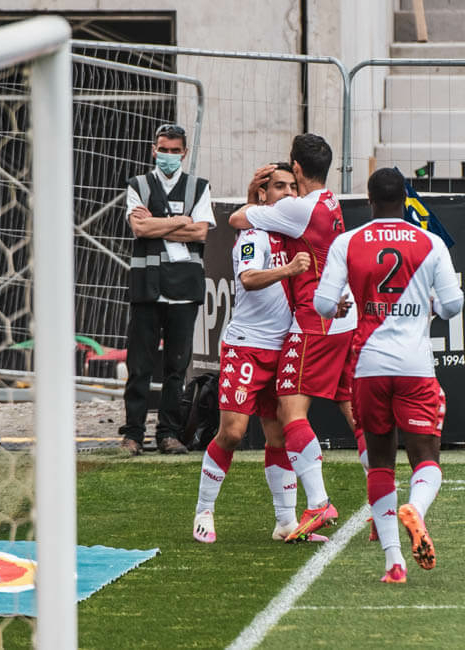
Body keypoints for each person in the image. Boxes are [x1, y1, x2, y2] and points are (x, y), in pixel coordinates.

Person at [314, 168, 462, 583]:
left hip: (369, 366)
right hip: (415, 366)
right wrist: (431, 304)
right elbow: (453, 306)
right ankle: (416, 508)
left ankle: (393, 562)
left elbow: (323, 304)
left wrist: (342, 305)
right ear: (405, 199)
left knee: (380, 463)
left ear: (369, 200)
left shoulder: (348, 242)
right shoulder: (430, 243)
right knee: (426, 457)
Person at [228, 134, 358, 542]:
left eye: (289, 179)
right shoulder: (330, 201)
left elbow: (237, 220)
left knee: (290, 413)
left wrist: (254, 195)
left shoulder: (294, 209)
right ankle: (382, 498)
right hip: (343, 315)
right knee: (352, 410)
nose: (285, 188)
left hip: (315, 319)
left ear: (297, 168)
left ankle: (318, 502)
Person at [192, 163, 325, 544]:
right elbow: (248, 279)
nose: (288, 194)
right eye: (279, 187)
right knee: (233, 433)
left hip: (285, 346)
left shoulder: (295, 231)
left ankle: (285, 522)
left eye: (293, 187)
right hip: (247, 346)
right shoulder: (253, 234)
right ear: (263, 195)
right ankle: (204, 510)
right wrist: (288, 270)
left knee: (279, 435)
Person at [118, 123, 215, 456]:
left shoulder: (199, 187)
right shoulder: (138, 185)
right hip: (147, 284)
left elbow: (200, 233)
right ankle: (133, 433)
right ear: (153, 150)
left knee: (177, 366)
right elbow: (139, 228)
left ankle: (169, 433)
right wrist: (180, 220)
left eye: (175, 151)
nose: (169, 155)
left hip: (184, 287)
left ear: (184, 153)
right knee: (139, 365)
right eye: (164, 149)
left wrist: (156, 224)